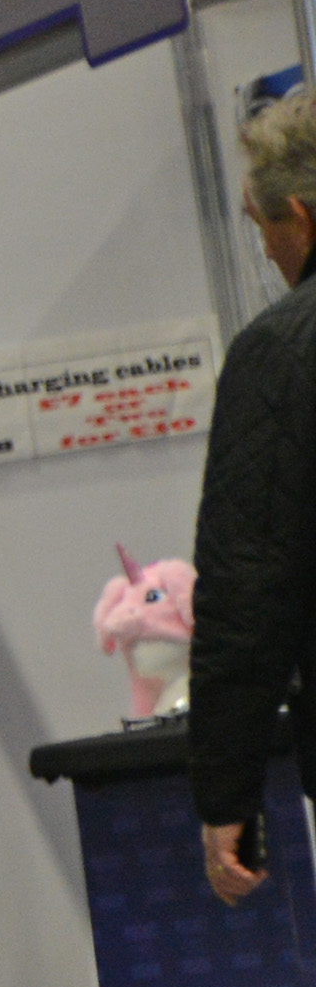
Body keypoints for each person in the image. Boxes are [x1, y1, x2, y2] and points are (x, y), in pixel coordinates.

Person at [187, 91, 316, 913]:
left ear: (299, 215)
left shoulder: (280, 354)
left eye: (261, 224)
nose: (265, 248)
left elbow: (248, 589)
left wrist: (225, 792)